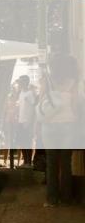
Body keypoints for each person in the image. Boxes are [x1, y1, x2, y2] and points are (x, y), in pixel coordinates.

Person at [38, 54, 79, 207]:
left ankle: (51, 199)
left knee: (52, 163)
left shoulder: (47, 81)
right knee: (66, 163)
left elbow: (41, 103)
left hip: (49, 125)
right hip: (68, 125)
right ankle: (67, 198)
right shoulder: (73, 82)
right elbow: (75, 105)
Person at [16, 75, 37, 166]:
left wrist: (29, 122)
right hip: (20, 121)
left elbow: (33, 108)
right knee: (22, 142)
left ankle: (29, 161)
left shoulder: (30, 93)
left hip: (27, 122)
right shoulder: (21, 93)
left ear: (25, 82)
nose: (19, 84)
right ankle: (25, 161)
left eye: (20, 82)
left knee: (28, 142)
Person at [2, 82, 20, 167]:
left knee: (18, 141)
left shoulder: (20, 99)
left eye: (15, 89)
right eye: (12, 88)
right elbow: (4, 112)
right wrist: (3, 123)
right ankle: (5, 161)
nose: (13, 90)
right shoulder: (7, 99)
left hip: (17, 123)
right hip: (8, 122)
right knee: (7, 142)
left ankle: (19, 162)